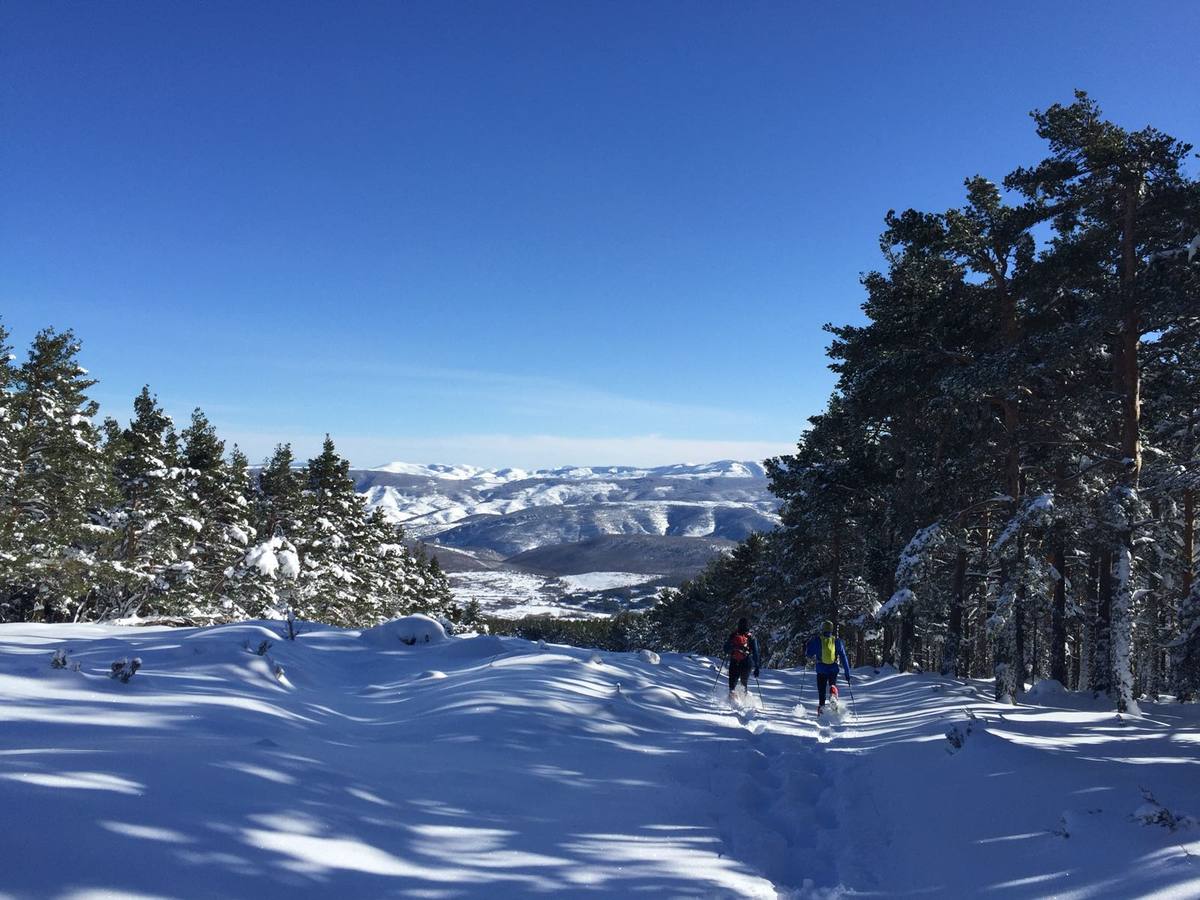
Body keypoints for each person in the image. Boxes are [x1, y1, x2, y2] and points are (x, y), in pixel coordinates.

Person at [805, 620, 852, 715]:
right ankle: (833, 693)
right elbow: (843, 657)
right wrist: (847, 673)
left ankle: (821, 709)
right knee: (832, 684)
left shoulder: (817, 640)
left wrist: (808, 644)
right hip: (833, 669)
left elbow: (808, 654)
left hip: (821, 669)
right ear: (831, 629)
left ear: (822, 629)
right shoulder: (837, 641)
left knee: (821, 691)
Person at [724, 617, 760, 700]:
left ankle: (732, 702)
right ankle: (744, 703)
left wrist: (732, 649)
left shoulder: (733, 635)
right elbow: (755, 652)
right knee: (744, 683)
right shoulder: (751, 637)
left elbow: (725, 649)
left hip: (734, 661)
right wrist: (757, 667)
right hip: (747, 662)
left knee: (732, 684)